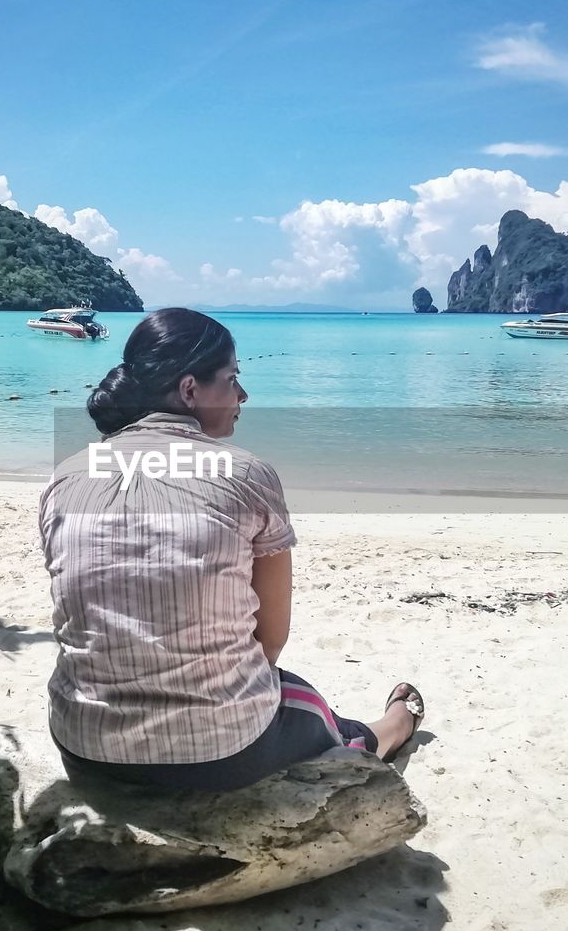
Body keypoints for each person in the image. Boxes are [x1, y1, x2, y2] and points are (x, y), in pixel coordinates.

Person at [38, 307, 424, 791]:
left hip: (84, 746)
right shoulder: (246, 474)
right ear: (189, 390)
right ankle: (395, 728)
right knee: (307, 704)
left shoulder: (67, 474)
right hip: (218, 755)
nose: (243, 395)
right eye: (233, 378)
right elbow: (271, 641)